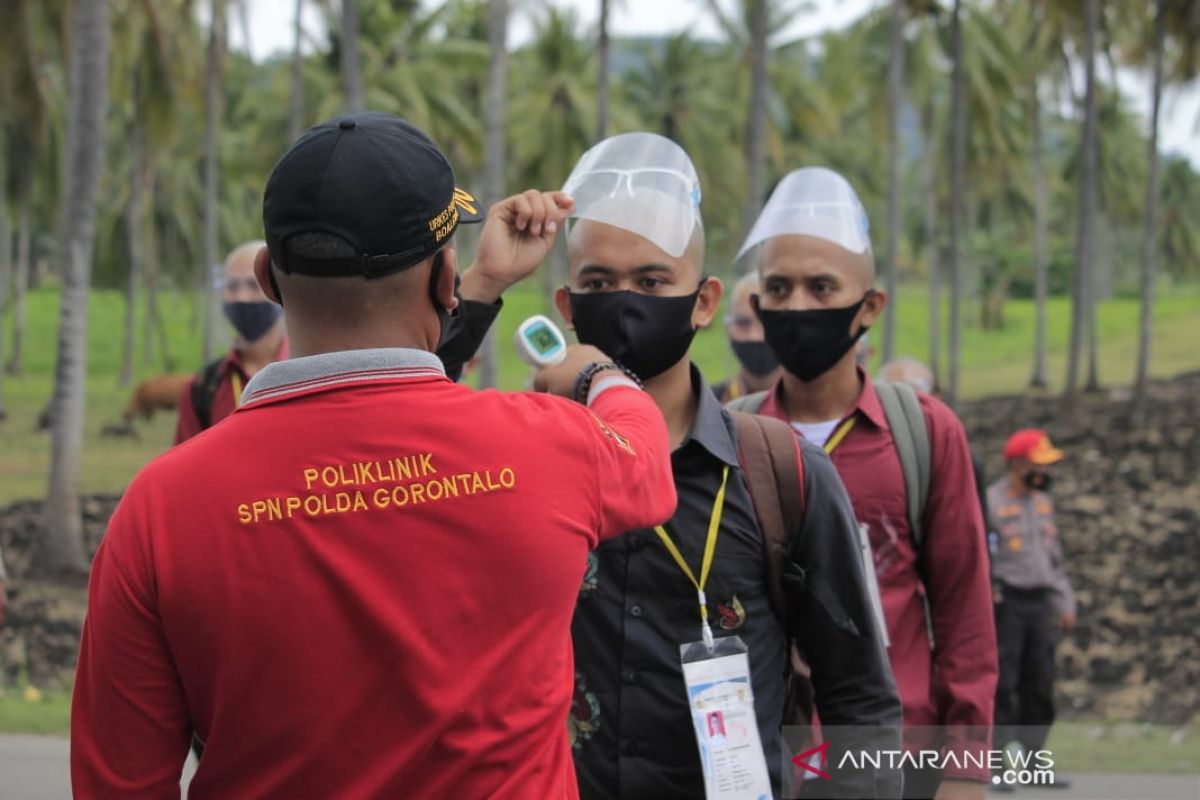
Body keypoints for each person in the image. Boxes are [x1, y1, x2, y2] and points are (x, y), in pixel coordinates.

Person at [72, 112, 678, 799]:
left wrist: (475, 288)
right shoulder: (545, 445)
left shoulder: (160, 507)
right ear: (447, 275)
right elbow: (644, 462)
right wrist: (597, 375)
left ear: (270, 278)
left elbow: (118, 783)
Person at [557, 134, 901, 800]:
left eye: (654, 281)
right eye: (599, 283)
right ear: (568, 308)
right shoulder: (530, 466)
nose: (626, 301)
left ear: (706, 301)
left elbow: (859, 699)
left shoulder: (783, 473)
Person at [733, 168, 997, 800]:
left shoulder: (923, 433)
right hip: (769, 764)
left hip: (898, 760)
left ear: (870, 306)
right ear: (759, 305)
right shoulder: (735, 439)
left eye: (823, 287)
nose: (798, 305)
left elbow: (964, 614)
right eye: (779, 287)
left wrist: (964, 771)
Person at [987, 430, 1075, 790]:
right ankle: (994, 765)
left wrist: (1065, 601)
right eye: (1038, 464)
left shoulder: (1042, 503)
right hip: (1007, 605)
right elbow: (982, 556)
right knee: (1003, 686)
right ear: (1016, 464)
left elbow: (1054, 560)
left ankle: (1035, 763)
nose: (1043, 471)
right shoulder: (991, 502)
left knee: (1039, 686)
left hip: (1040, 607)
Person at [712, 272, 782, 404]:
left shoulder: (815, 409)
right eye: (743, 323)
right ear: (728, 327)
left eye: (767, 322)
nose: (755, 336)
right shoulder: (705, 405)